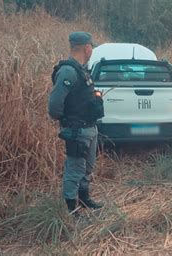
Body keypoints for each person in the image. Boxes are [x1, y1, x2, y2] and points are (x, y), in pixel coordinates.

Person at [48, 32, 104, 215]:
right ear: (87, 48)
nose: (92, 51)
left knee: (87, 166)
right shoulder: (68, 71)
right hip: (77, 129)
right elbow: (54, 105)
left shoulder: (81, 70)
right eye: (91, 48)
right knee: (75, 168)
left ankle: (84, 198)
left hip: (89, 128)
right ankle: (72, 209)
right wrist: (67, 122)